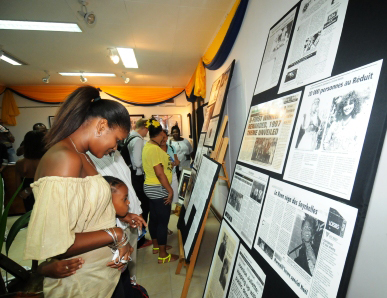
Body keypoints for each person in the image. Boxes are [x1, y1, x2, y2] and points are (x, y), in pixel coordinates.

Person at [23, 86, 142, 297]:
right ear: (101, 125)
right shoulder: (65, 158)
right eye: (116, 140)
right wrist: (116, 234)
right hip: (82, 283)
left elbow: (83, 214)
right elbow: (58, 242)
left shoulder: (81, 155)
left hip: (100, 277)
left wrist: (121, 217)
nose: (115, 148)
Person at [87, 149, 146, 284]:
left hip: (129, 219)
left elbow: (126, 186)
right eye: (115, 138)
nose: (115, 145)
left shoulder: (116, 153)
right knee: (118, 278)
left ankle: (132, 284)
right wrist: (120, 217)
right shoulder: (86, 160)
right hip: (113, 228)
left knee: (130, 270)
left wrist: (135, 209)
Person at [142, 118, 178, 264]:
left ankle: (157, 246)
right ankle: (163, 255)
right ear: (161, 133)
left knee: (154, 218)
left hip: (150, 187)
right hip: (159, 188)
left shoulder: (147, 146)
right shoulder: (155, 149)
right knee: (163, 222)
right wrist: (170, 191)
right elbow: (160, 173)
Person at [127, 118, 152, 248]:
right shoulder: (137, 140)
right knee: (143, 208)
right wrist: (148, 164)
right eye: (147, 129)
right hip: (137, 177)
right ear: (143, 127)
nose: (147, 132)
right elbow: (137, 162)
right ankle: (141, 239)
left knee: (139, 206)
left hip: (133, 176)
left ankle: (139, 237)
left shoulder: (130, 137)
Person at [15, 131, 46, 212]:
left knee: (29, 215)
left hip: (26, 193)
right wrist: (29, 190)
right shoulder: (42, 162)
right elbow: (42, 180)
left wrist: (23, 192)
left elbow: (18, 184)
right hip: (39, 191)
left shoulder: (19, 163)